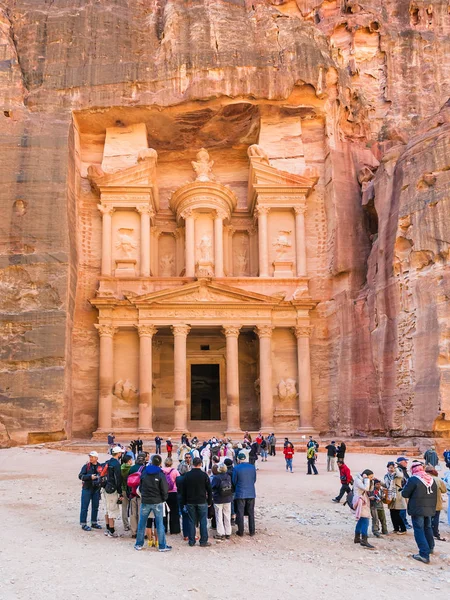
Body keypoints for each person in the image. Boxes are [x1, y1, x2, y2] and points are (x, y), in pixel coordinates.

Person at [401, 460, 437, 564]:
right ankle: (430, 548)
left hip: (418, 509)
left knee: (419, 530)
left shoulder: (414, 479)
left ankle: (424, 554)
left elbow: (405, 494)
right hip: (429, 509)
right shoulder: (431, 479)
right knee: (428, 528)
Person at [134, 455, 171, 552]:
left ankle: (139, 544)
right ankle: (162, 546)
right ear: (159, 463)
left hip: (145, 501)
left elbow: (140, 486)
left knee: (142, 523)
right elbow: (164, 488)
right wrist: (163, 498)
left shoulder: (144, 472)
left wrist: (144, 496)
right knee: (159, 524)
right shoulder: (160, 473)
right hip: (157, 501)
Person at [182, 456, 212, 547]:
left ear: (192, 464)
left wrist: (184, 502)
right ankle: (203, 541)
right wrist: (209, 501)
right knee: (203, 521)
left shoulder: (187, 475)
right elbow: (209, 489)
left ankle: (191, 541)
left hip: (190, 501)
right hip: (202, 501)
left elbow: (184, 490)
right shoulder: (204, 475)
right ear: (201, 464)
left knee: (191, 521)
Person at [232, 452, 257, 537]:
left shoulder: (236, 468)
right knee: (251, 512)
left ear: (238, 459)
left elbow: (234, 481)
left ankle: (241, 531)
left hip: (240, 492)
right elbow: (254, 479)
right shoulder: (252, 467)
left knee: (240, 512)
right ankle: (252, 531)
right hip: (251, 492)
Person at [78, 451, 103, 531]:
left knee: (95, 506)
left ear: (96, 458)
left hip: (96, 489)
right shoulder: (86, 466)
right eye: (90, 457)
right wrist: (90, 477)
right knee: (84, 507)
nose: (91, 458)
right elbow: (80, 476)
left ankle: (94, 522)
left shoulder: (100, 466)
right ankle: (83, 523)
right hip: (87, 488)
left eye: (92, 457)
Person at [102, 446, 124, 538]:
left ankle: (107, 528)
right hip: (112, 490)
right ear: (118, 454)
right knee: (112, 510)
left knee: (107, 509)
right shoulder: (116, 464)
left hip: (105, 488)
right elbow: (118, 479)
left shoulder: (108, 462)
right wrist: (120, 492)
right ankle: (111, 530)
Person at [353, 469, 375, 549]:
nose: (371, 478)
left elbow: (370, 489)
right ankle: (364, 540)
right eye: (371, 477)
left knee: (361, 519)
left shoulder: (362, 479)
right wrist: (367, 479)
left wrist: (372, 481)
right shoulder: (358, 480)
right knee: (365, 519)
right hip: (360, 501)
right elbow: (366, 488)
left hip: (363, 500)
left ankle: (357, 537)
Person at [211, 463, 233, 540]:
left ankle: (220, 533)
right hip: (227, 498)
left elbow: (213, 487)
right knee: (227, 515)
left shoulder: (216, 478)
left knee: (219, 516)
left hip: (218, 499)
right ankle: (228, 532)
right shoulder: (228, 476)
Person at [424, 465, 447, 541]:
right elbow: (444, 490)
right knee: (436, 519)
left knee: (428, 520)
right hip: (437, 503)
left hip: (426, 503)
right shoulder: (438, 480)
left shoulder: (423, 479)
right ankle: (435, 533)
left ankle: (428, 533)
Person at [384, 461, 407, 535]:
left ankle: (403, 529)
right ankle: (396, 528)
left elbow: (400, 475)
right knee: (392, 513)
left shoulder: (397, 474)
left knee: (397, 513)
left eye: (393, 467)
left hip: (397, 494)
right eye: (390, 467)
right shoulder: (386, 476)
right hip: (390, 495)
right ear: (387, 468)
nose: (391, 469)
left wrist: (396, 468)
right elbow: (386, 485)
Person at [127, 452, 146, 538]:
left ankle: (133, 532)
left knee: (133, 513)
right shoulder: (145, 469)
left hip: (132, 493)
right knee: (142, 514)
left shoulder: (132, 468)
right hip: (141, 494)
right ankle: (142, 532)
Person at [162, 457, 181, 535]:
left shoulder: (161, 471)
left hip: (164, 493)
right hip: (173, 492)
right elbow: (179, 481)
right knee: (174, 512)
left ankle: (164, 528)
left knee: (164, 512)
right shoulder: (175, 471)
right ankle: (175, 529)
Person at [176, 463, 191, 541]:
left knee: (184, 516)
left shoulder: (178, 478)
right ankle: (191, 533)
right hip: (188, 498)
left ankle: (185, 534)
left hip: (180, 498)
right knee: (190, 517)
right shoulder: (189, 478)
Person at [396, 457, 412, 530]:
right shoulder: (399, 470)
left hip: (404, 490)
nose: (406, 462)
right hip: (401, 491)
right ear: (401, 462)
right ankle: (403, 523)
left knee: (404, 508)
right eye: (405, 461)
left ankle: (404, 522)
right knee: (402, 508)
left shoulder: (404, 470)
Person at [120, 454, 133, 531]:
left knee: (124, 508)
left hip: (122, 489)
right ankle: (132, 524)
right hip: (129, 489)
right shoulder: (130, 469)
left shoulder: (121, 467)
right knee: (131, 508)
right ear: (129, 461)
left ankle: (125, 525)